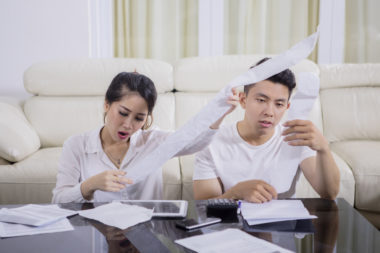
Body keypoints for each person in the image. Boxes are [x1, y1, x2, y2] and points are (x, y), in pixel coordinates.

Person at [52, 72, 238, 203]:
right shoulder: (76, 145)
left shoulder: (152, 141)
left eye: (139, 118)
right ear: (107, 105)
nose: (128, 125)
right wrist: (90, 185)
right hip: (100, 233)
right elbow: (58, 200)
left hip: (147, 233)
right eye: (123, 113)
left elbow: (195, 142)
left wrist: (220, 112)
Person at [193, 58, 340, 203]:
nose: (269, 112)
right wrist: (235, 193)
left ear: (287, 107)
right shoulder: (211, 142)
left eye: (279, 104)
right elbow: (203, 207)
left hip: (284, 222)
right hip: (232, 223)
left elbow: (330, 193)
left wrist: (324, 149)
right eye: (261, 100)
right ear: (243, 100)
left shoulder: (295, 138)